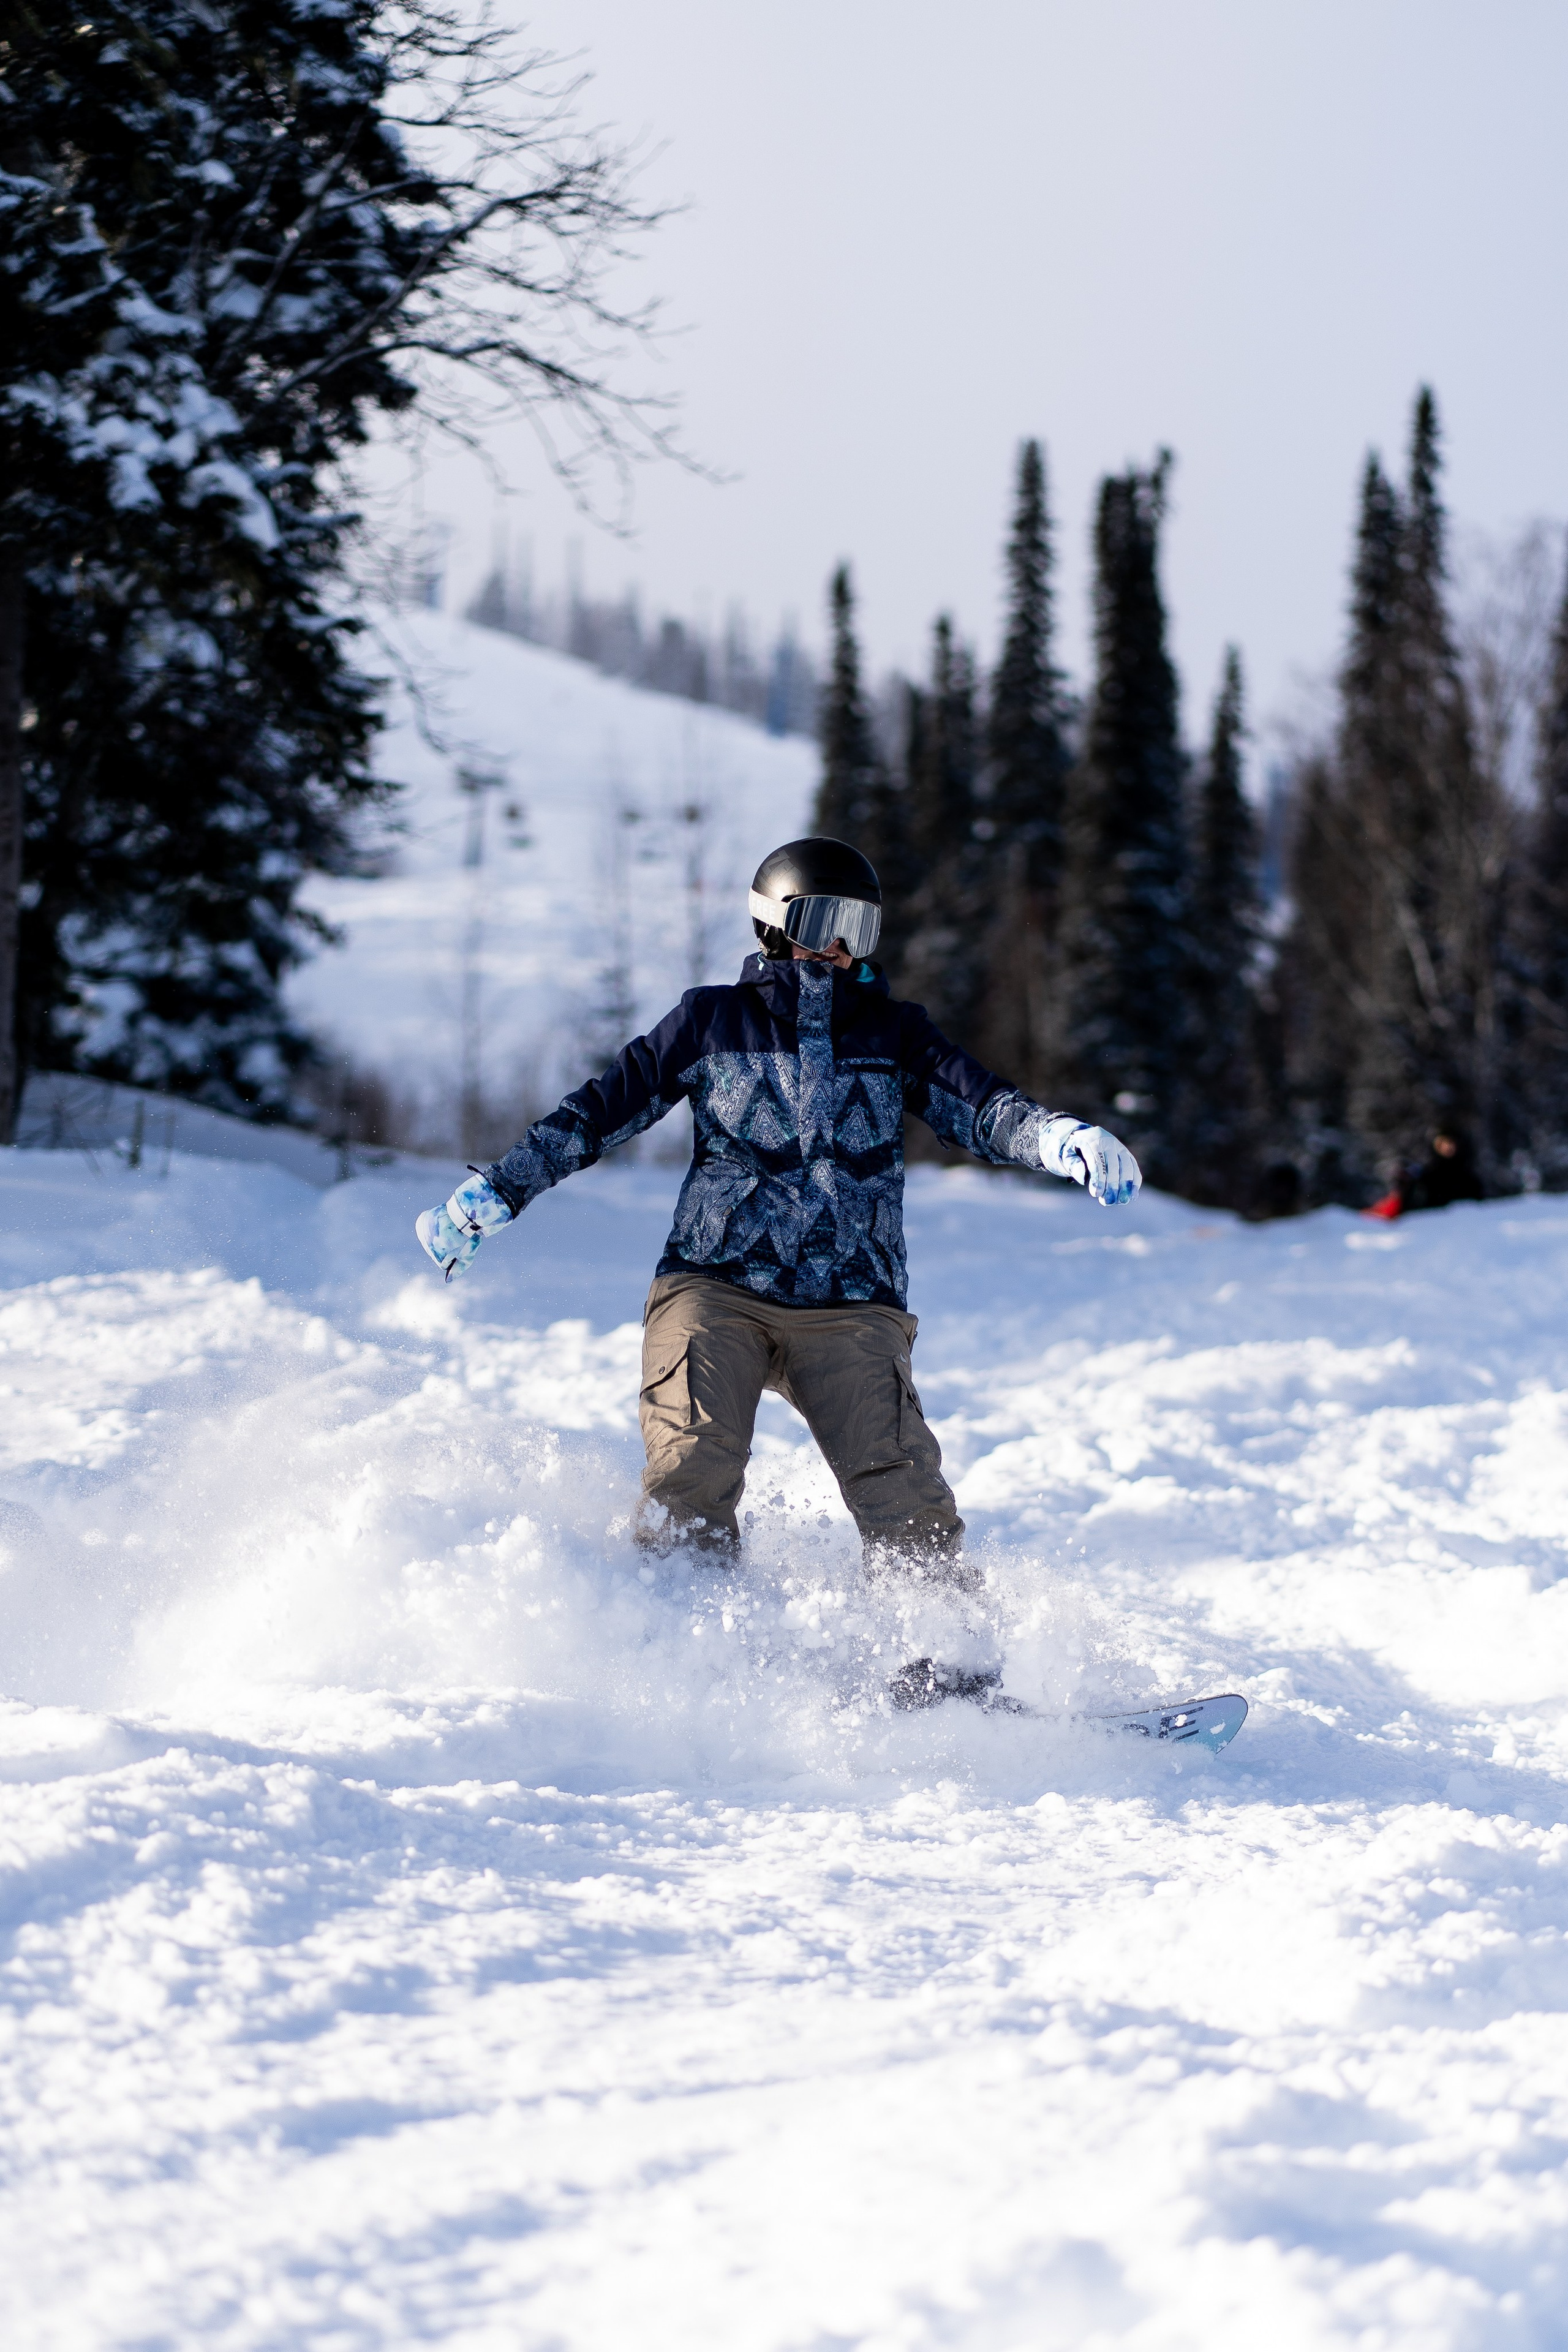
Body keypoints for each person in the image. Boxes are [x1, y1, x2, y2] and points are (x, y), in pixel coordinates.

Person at [416, 837, 1141, 1699]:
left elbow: (980, 1107)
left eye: (857, 930)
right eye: (821, 924)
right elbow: (599, 1112)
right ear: (772, 925)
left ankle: (949, 1669)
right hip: (713, 1288)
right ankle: (678, 1657)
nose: (838, 948)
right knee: (694, 1465)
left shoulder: (892, 1032)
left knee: (902, 1485)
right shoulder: (710, 1021)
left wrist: (1055, 1138)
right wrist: (499, 1190)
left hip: (852, 1307)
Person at [1364, 1128, 1485, 1221]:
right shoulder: (1427, 1176)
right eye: (1442, 1143)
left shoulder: (1468, 1177)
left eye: (1450, 1143)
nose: (1447, 1148)